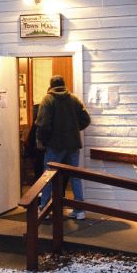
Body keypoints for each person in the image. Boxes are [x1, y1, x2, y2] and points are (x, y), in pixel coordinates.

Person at [36, 75, 91, 219]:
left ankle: (45, 209)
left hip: (55, 145)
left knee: (48, 176)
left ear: (51, 85)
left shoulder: (48, 99)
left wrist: (41, 140)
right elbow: (86, 119)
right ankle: (79, 211)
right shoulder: (74, 99)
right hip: (73, 144)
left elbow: (43, 124)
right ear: (64, 84)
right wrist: (73, 129)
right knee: (75, 176)